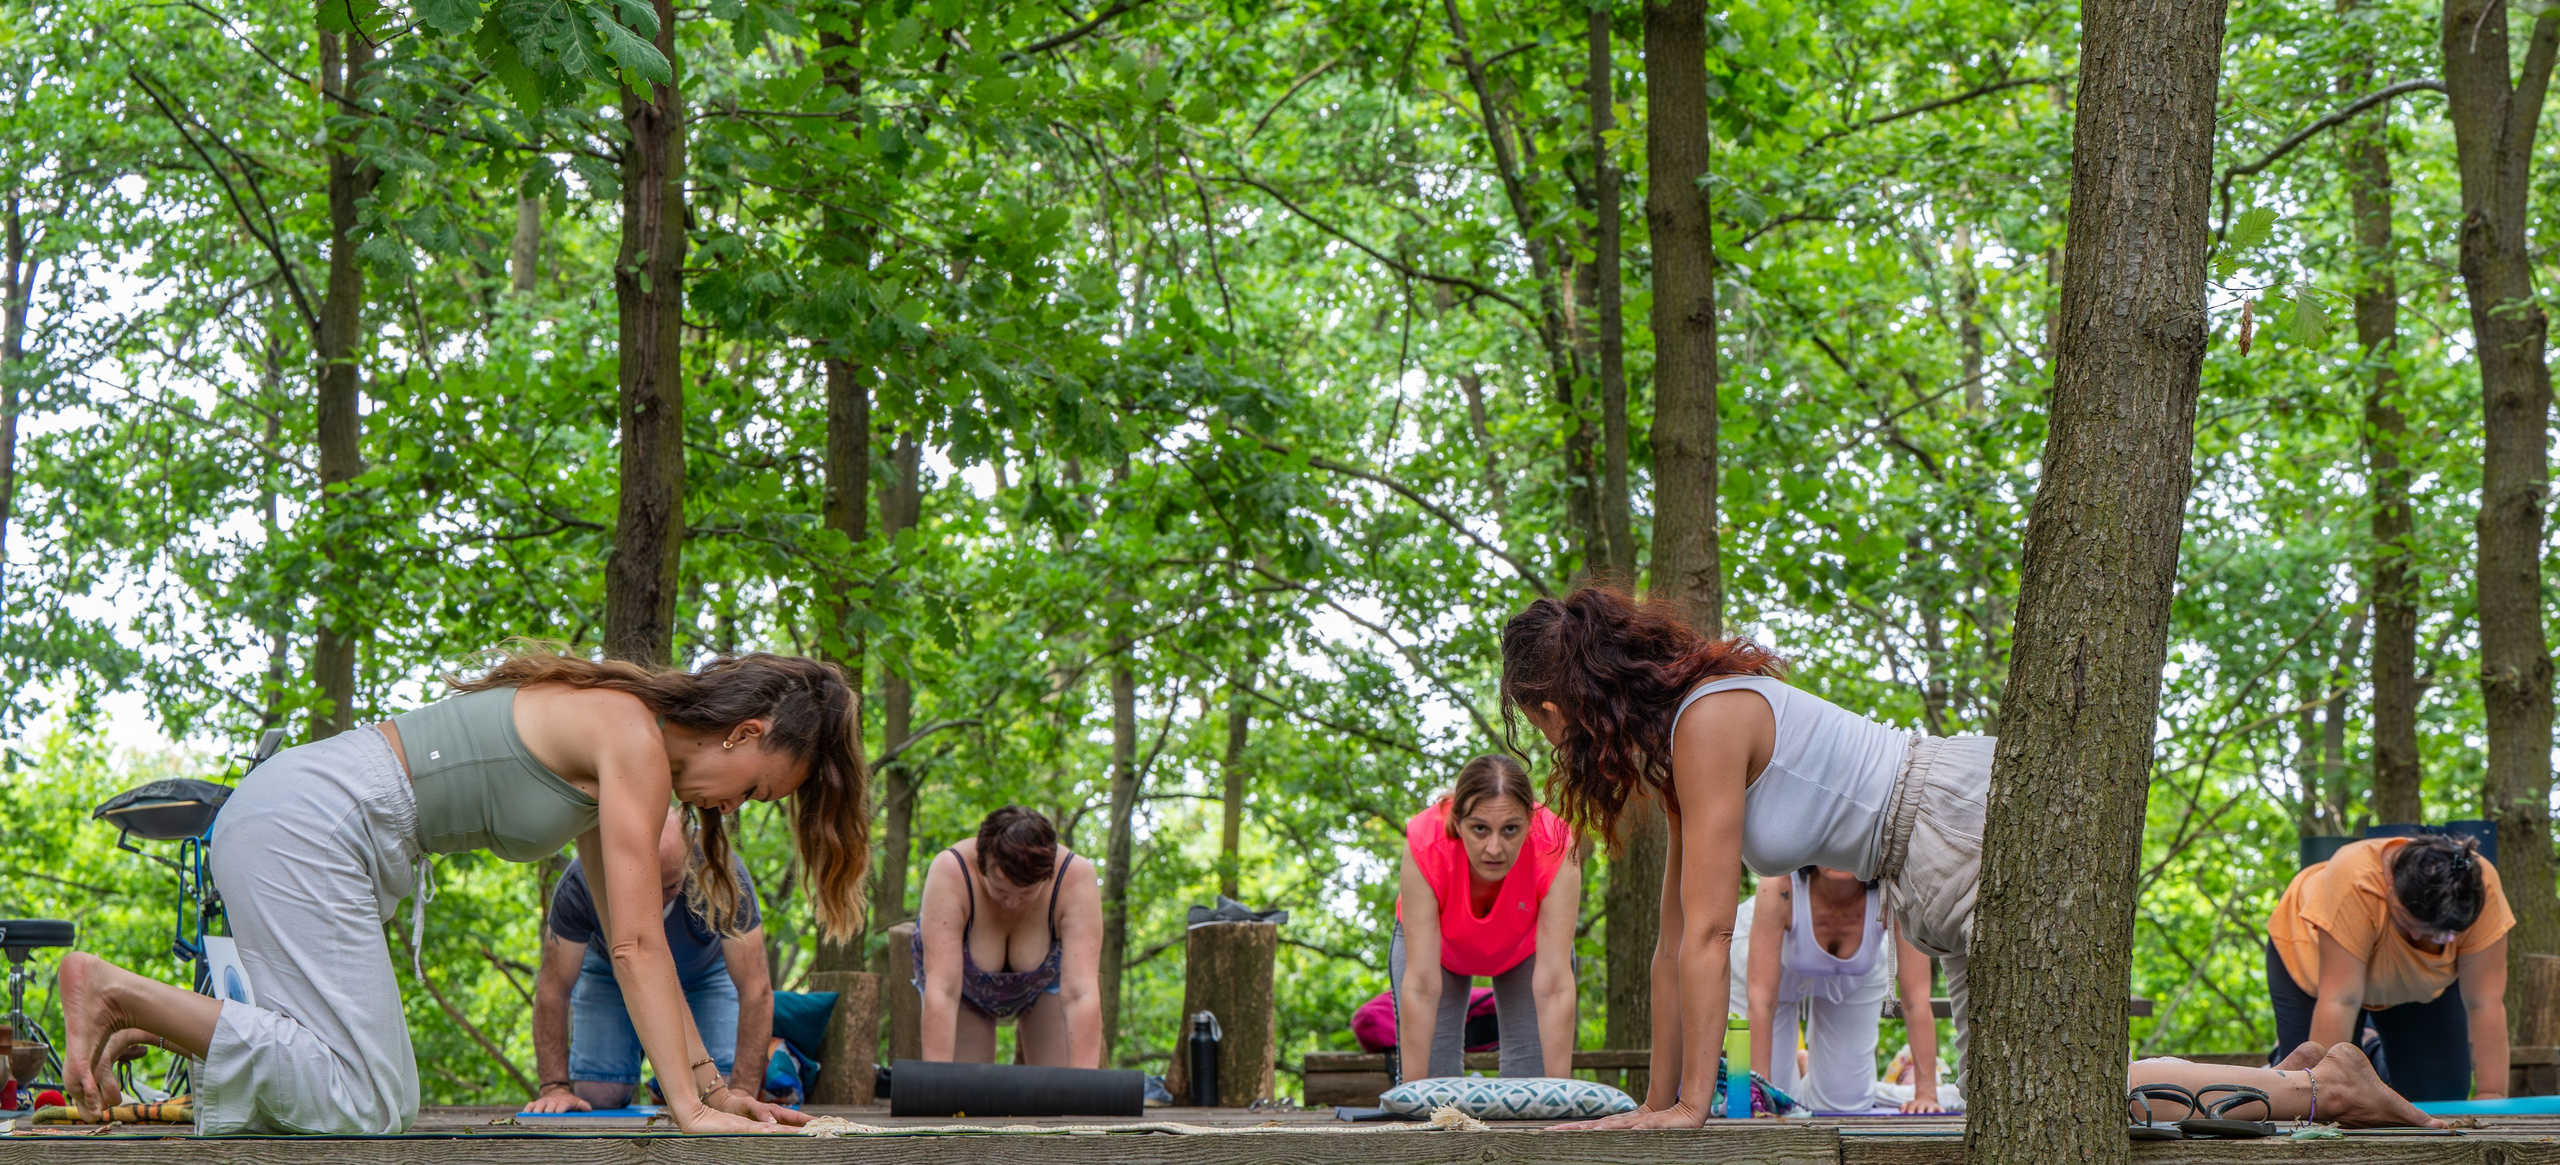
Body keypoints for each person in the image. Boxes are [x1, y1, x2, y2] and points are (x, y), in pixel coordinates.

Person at [54, 650, 867, 1135]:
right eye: (755, 788)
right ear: (746, 732)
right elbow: (636, 945)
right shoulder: (633, 736)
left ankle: (157, 1018)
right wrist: (689, 1109)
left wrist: (717, 1090)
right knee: (371, 1097)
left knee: (362, 1089)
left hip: (310, 822)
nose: (734, 807)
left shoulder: (624, 745)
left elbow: (631, 942)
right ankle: (118, 991)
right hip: (313, 821)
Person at [1501, 587, 1983, 1127]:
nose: (1554, 746)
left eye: (1542, 727)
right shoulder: (1680, 746)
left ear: (1556, 708)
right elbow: (1674, 944)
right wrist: (1655, 1105)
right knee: (1993, 1092)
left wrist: (1691, 1108)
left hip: (1956, 820)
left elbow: (1712, 932)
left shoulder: (1708, 719)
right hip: (1924, 855)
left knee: (2017, 1083)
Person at [526, 812, 773, 1112]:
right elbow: (553, 988)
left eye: (668, 887)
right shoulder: (581, 882)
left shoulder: (722, 873)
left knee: (719, 1093)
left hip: (705, 975)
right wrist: (554, 1087)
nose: (654, 899)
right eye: (645, 886)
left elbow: (755, 988)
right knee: (599, 1094)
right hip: (610, 972)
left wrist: (744, 1089)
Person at [2265, 834, 2512, 1102]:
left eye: (2438, 934)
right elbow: (2340, 1000)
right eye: (2408, 922)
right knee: (2318, 1093)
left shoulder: (2478, 886)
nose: (2416, 938)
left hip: (2419, 982)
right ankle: (2282, 1056)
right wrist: (2318, 1100)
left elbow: (2485, 1002)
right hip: (2315, 967)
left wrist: (2491, 1094)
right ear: (2391, 882)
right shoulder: (2354, 878)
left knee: (2438, 1095)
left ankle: (2369, 1048)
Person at [1391, 754, 1579, 1081]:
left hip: (1525, 948)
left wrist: (1557, 1098)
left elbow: (1553, 986)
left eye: (1510, 830)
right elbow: (1421, 985)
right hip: (1439, 951)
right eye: (1480, 829)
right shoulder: (1426, 841)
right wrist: (1414, 1100)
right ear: (1457, 822)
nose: (1494, 848)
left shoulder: (1555, 845)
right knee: (1434, 1086)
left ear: (1529, 823)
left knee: (1532, 1086)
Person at [1728, 866, 1945, 1113]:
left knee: (1846, 1104)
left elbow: (1916, 1001)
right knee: (1777, 1098)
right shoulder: (1779, 887)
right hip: (1769, 969)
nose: (1838, 855)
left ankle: (1808, 1068)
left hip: (1853, 974)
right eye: (1829, 845)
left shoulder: (1897, 891)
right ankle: (1796, 1069)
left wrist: (1927, 1094)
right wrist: (1761, 1099)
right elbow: (1761, 1002)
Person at [913, 806, 1103, 1067]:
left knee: (1059, 1087)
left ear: (1047, 876)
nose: (1013, 903)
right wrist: (935, 1081)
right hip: (964, 989)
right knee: (961, 1089)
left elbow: (1081, 993)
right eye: (1001, 890)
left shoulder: (1074, 876)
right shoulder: (951, 870)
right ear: (982, 866)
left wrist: (1087, 1085)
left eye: (1026, 893)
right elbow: (942, 991)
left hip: (1045, 986)